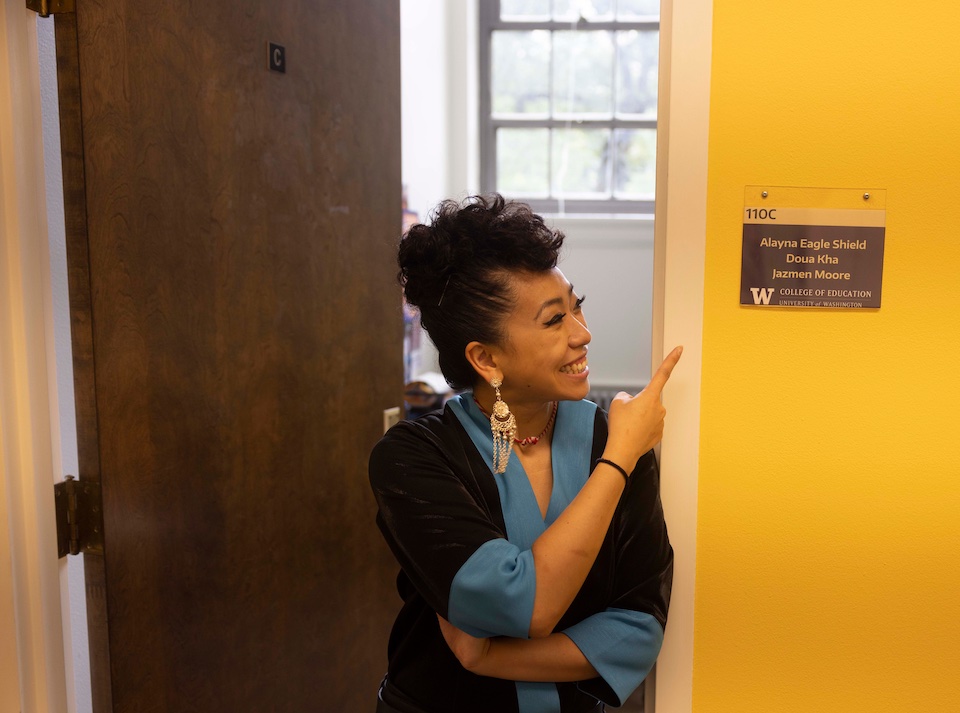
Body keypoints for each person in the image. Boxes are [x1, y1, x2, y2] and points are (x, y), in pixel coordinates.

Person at [369, 194, 681, 713]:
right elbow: (520, 602)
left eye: (577, 307)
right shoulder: (410, 460)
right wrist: (619, 461)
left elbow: (639, 627)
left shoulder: (615, 438)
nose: (583, 334)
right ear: (486, 357)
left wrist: (493, 658)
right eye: (554, 321)